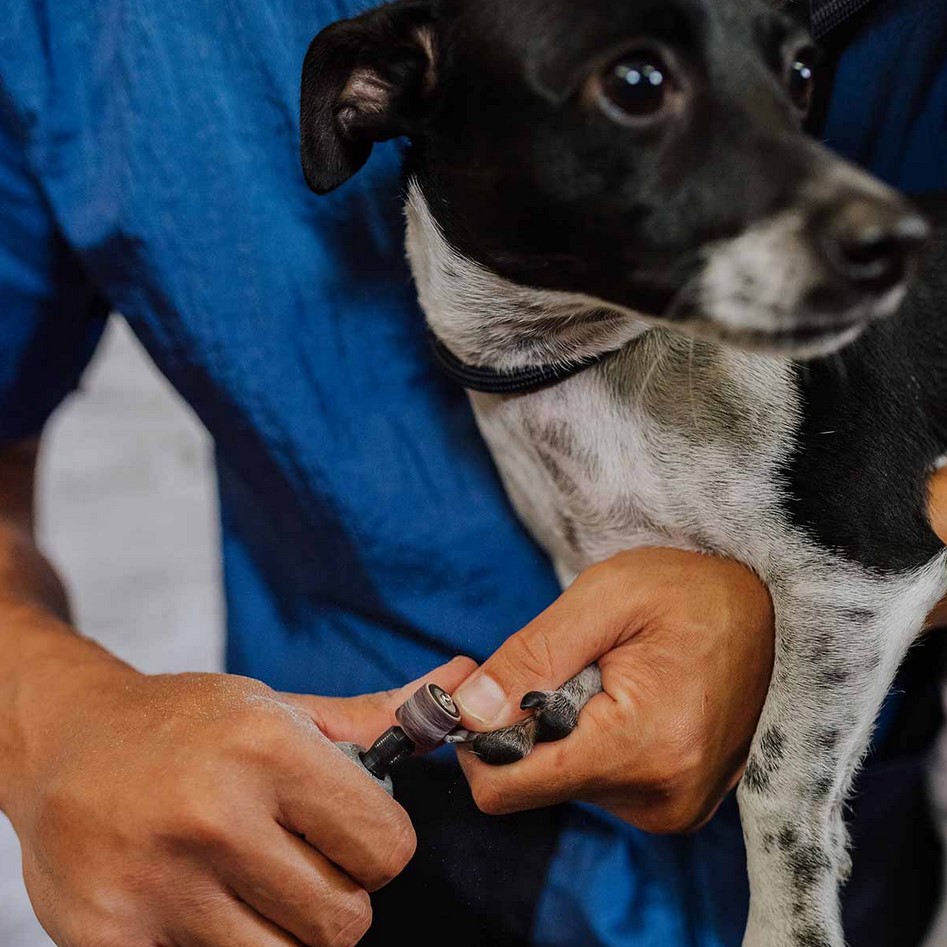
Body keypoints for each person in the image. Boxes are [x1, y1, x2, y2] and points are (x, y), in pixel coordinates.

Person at [0, 0, 944, 945]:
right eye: (636, 87)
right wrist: (54, 725)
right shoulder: (79, 29)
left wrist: (796, 620)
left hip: (855, 850)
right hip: (339, 852)